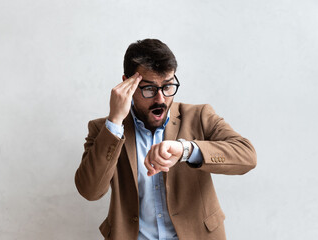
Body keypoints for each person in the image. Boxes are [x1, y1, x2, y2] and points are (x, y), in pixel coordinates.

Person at [75, 39, 257, 240]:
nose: (160, 99)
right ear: (127, 84)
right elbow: (90, 191)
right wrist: (116, 121)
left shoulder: (199, 116)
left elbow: (247, 156)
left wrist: (186, 150)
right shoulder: (104, 130)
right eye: (149, 89)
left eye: (168, 86)